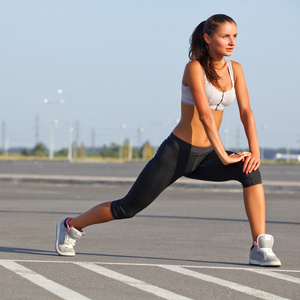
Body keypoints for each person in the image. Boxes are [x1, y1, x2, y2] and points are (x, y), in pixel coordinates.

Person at [55, 14, 281, 267]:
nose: (232, 42)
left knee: (250, 170)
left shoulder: (235, 69)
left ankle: (258, 246)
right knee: (126, 208)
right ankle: (71, 225)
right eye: (225, 36)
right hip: (177, 153)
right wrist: (225, 155)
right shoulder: (194, 68)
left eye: (235, 36)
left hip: (207, 154)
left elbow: (246, 111)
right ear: (208, 38)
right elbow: (205, 115)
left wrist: (254, 150)